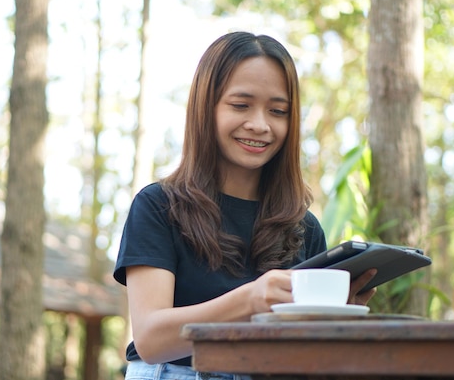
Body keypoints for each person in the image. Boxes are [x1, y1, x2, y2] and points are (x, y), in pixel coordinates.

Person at [113, 31, 377, 380]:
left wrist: (332, 318)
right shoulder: (159, 206)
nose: (260, 125)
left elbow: (306, 357)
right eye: (241, 105)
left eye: (278, 111)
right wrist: (250, 299)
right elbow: (150, 338)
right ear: (206, 108)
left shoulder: (304, 227)